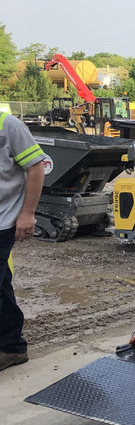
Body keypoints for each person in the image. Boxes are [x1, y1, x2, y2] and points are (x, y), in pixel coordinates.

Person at [0, 111, 45, 371]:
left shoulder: (8, 125)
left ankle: (10, 346)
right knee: (2, 284)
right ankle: (12, 347)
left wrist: (27, 213)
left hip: (3, 221)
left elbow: (35, 167)